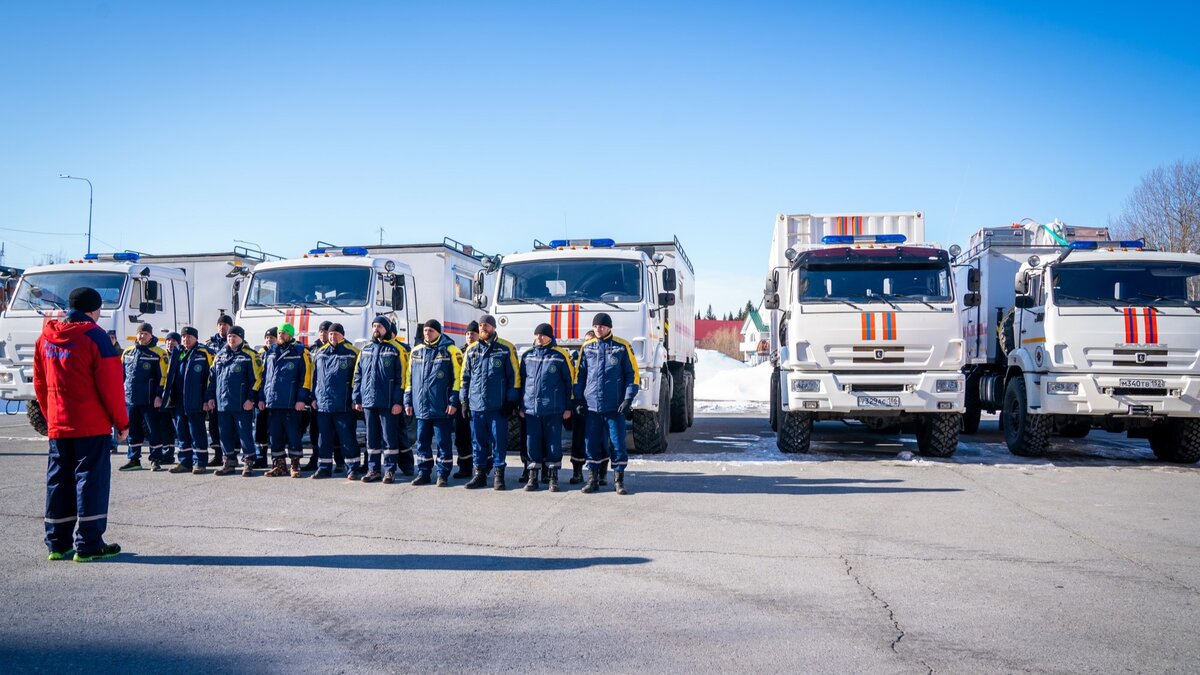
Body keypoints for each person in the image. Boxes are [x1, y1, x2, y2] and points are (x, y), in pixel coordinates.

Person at [36, 286, 128, 562]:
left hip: (59, 425)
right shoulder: (96, 337)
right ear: (93, 310)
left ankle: (57, 543)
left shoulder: (45, 338)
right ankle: (88, 544)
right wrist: (121, 422)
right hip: (91, 425)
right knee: (91, 482)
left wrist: (51, 415)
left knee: (58, 482)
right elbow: (111, 386)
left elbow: (40, 384)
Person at [575, 313, 638, 495]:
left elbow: (632, 375)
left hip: (614, 406)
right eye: (595, 326)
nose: (598, 329)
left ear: (609, 327)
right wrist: (578, 399)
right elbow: (579, 375)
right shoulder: (587, 347)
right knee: (592, 443)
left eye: (602, 326)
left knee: (617, 443)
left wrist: (628, 399)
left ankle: (619, 481)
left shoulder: (621, 346)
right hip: (592, 406)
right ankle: (592, 479)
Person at [460, 314, 520, 490]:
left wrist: (511, 401)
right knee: (477, 442)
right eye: (480, 325)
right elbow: (465, 378)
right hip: (476, 405)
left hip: (498, 406)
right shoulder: (471, 350)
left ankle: (499, 475)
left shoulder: (506, 348)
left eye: (486, 325)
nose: (483, 328)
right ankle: (479, 474)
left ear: (494, 328)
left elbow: (514, 378)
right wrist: (464, 401)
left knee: (498, 441)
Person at [353, 316, 412, 483]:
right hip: (369, 401)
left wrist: (397, 402)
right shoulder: (366, 349)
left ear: (386, 329)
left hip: (388, 403)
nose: (376, 329)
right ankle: (373, 470)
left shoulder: (395, 350)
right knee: (371, 438)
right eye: (374, 326)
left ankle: (389, 470)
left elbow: (401, 378)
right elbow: (358, 376)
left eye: (379, 326)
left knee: (389, 438)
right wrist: (357, 397)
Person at [404, 319, 463, 487]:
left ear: (438, 332)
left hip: (442, 406)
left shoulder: (451, 350)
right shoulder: (416, 351)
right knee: (422, 441)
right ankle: (423, 472)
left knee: (443, 442)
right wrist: (408, 401)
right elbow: (409, 379)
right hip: (420, 406)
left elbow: (458, 379)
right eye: (425, 330)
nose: (427, 333)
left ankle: (443, 474)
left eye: (431, 330)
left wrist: (453, 401)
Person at [518, 323, 575, 492]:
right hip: (531, 410)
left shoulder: (559, 355)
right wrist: (521, 405)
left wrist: (568, 407)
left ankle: (553, 477)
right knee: (532, 443)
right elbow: (521, 382)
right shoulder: (528, 356)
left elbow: (569, 383)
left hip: (554, 409)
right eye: (537, 335)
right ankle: (533, 477)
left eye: (542, 335)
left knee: (553, 444)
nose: (539, 338)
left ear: (550, 337)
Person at [207, 326, 263, 477]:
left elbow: (257, 380)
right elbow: (212, 378)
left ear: (241, 338)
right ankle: (229, 462)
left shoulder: (249, 355)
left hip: (242, 404)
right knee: (224, 434)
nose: (231, 339)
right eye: (229, 336)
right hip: (223, 403)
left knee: (244, 434)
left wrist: (251, 399)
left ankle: (249, 461)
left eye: (235, 337)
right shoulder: (220, 355)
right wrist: (211, 397)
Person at [260, 322, 313, 477]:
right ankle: (279, 465)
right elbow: (264, 377)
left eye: (284, 333)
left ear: (290, 335)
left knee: (293, 435)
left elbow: (306, 378)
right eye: (279, 333)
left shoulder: (300, 352)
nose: (280, 335)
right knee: (274, 435)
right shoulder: (270, 352)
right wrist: (262, 397)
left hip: (291, 402)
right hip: (273, 401)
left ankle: (295, 465)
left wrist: (302, 399)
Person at [310, 323, 362, 480]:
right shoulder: (320, 352)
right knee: (323, 438)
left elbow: (358, 378)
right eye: (330, 334)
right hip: (323, 404)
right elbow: (314, 377)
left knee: (347, 438)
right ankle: (324, 468)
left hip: (343, 404)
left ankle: (353, 468)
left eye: (336, 334)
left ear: (343, 335)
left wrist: (355, 399)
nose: (332, 337)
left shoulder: (352, 352)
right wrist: (313, 397)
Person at [118, 323, 169, 472]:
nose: (142, 336)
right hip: (131, 400)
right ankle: (134, 459)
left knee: (153, 430)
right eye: (140, 333)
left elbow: (163, 377)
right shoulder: (128, 352)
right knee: (132, 430)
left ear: (151, 336)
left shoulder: (159, 353)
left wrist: (159, 396)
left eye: (145, 334)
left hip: (150, 400)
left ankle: (156, 459)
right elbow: (121, 375)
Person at [167, 327, 214, 474]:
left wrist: (207, 399)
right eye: (183, 337)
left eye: (189, 336)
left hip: (196, 400)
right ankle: (184, 462)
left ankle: (200, 462)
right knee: (182, 432)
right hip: (179, 400)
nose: (186, 339)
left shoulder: (204, 353)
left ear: (195, 338)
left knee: (197, 432)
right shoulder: (178, 353)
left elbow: (210, 378)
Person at [568, 330, 608, 484]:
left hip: (597, 405)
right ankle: (577, 471)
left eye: (590, 341)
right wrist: (575, 402)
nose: (587, 344)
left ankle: (602, 472)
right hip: (580, 405)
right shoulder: (576, 359)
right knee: (578, 439)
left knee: (601, 439)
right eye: (585, 341)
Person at [302, 320, 333, 471]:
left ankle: (338, 461)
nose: (323, 334)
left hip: (330, 395)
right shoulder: (312, 348)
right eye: (321, 331)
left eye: (326, 331)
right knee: (314, 430)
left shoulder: (336, 348)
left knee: (332, 430)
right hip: (315, 394)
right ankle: (315, 458)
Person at [204, 315, 234, 466]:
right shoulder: (208, 345)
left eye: (226, 325)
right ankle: (217, 454)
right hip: (214, 388)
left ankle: (230, 455)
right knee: (214, 424)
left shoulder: (236, 343)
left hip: (230, 391)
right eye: (220, 324)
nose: (222, 327)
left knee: (230, 425)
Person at [452, 322, 480, 479]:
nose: (470, 336)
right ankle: (464, 467)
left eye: (473, 333)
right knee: (461, 436)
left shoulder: (481, 351)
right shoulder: (459, 353)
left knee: (478, 436)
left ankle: (480, 467)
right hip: (461, 400)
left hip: (478, 400)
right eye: (468, 334)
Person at [253, 327, 277, 468]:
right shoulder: (260, 354)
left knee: (273, 429)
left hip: (273, 398)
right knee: (259, 428)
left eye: (272, 338)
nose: (268, 340)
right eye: (267, 338)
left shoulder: (277, 353)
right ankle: (261, 457)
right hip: (260, 397)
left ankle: (276, 459)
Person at [159, 331, 182, 465]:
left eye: (173, 341)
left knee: (179, 427)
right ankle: (168, 454)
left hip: (176, 397)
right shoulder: (161, 355)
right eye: (168, 341)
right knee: (165, 426)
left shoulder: (181, 355)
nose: (170, 343)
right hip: (163, 396)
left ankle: (184, 454)